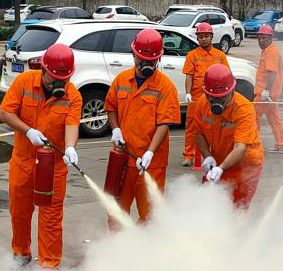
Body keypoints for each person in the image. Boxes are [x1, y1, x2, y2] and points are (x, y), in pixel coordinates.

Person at [0, 43, 82, 269]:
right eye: (54, 78)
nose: (59, 84)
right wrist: (28, 131)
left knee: (51, 216)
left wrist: (70, 147)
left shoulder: (73, 96)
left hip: (53, 167)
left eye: (64, 79)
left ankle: (49, 266)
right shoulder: (24, 82)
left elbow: (72, 124)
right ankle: (21, 254)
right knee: (20, 212)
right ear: (43, 69)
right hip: (24, 161)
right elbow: (5, 113)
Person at [105, 28, 180, 224]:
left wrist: (150, 152)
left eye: (152, 61)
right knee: (116, 213)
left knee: (150, 217)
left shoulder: (165, 87)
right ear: (134, 55)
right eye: (142, 59)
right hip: (122, 160)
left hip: (151, 164)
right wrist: (115, 128)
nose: (147, 64)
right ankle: (116, 243)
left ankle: (144, 244)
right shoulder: (121, 80)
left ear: (159, 59)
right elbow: (111, 107)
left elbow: (164, 123)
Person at [194, 64, 264, 209]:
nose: (216, 102)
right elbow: (199, 134)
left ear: (232, 90)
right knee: (207, 205)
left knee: (236, 211)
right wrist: (208, 156)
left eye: (221, 97)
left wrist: (221, 168)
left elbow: (240, 148)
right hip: (219, 161)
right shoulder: (202, 103)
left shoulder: (244, 109)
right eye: (211, 97)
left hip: (245, 166)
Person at [181, 21, 229, 166]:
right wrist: (188, 93)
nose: (203, 39)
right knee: (192, 127)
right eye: (201, 36)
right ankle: (188, 155)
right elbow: (189, 76)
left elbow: (226, 75)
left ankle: (215, 154)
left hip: (215, 99)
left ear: (211, 36)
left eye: (206, 36)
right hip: (197, 98)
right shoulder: (192, 55)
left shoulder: (220, 55)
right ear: (197, 38)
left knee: (215, 127)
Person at [254, 24, 283, 153]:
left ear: (271, 38)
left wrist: (266, 91)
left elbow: (272, 73)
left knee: (253, 115)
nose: (261, 41)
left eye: (264, 38)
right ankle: (280, 144)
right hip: (271, 94)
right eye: (259, 38)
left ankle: (254, 143)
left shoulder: (271, 52)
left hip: (265, 94)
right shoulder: (268, 50)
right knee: (274, 118)